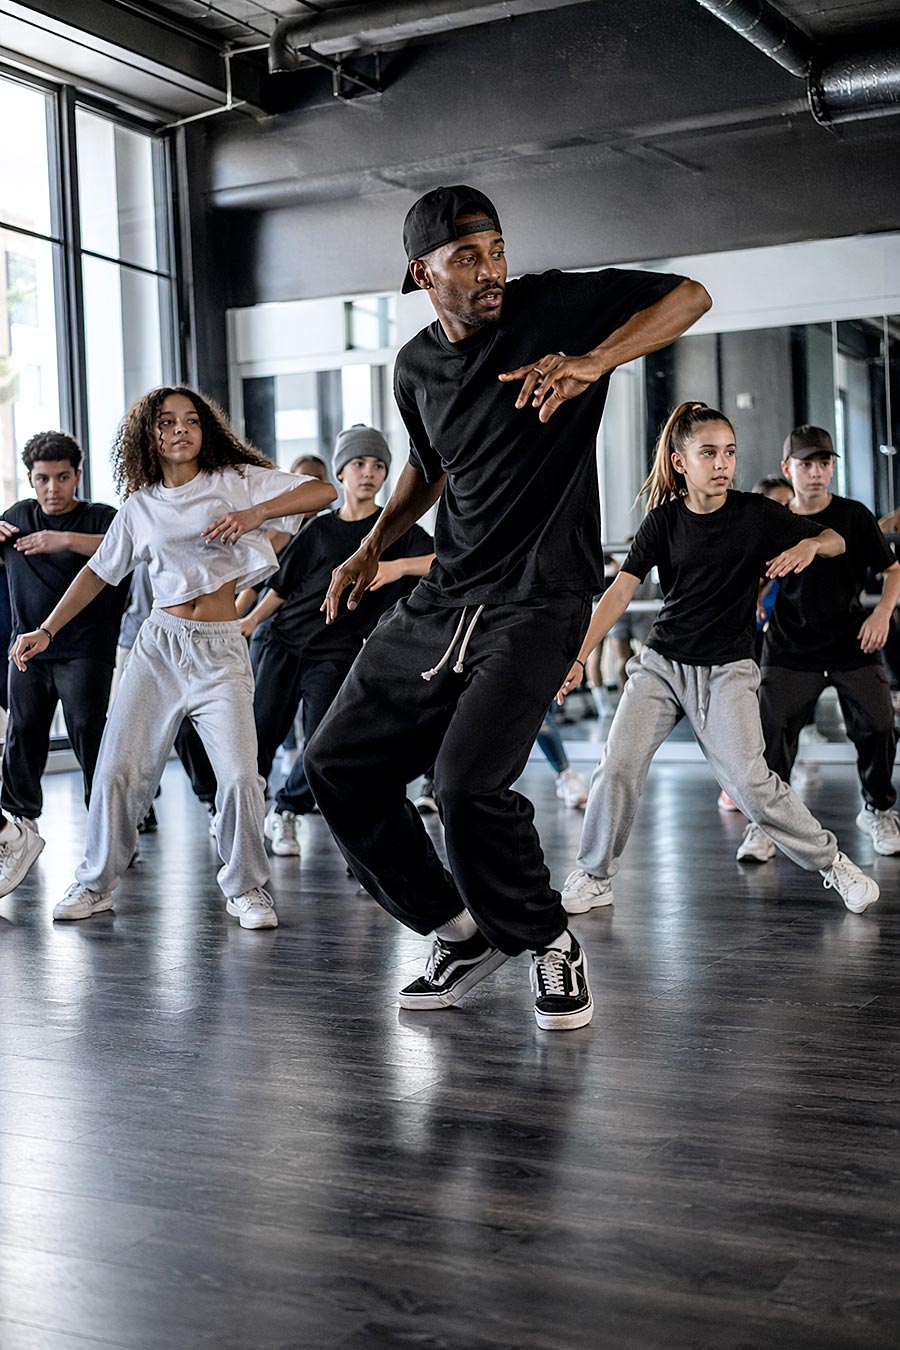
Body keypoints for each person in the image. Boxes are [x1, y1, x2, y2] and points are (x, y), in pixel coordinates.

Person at [304, 183, 711, 1031]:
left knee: (464, 787)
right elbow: (429, 466)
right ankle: (459, 933)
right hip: (447, 594)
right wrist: (372, 546)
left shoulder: (552, 308)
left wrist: (596, 361)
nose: (491, 270)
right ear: (423, 275)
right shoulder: (414, 367)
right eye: (468, 258)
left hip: (541, 597)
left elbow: (691, 296)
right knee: (335, 765)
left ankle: (548, 939)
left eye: (496, 251)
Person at [10, 387, 335, 926]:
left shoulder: (235, 480)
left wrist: (254, 513)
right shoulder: (140, 507)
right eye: (166, 422)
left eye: (191, 420)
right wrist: (46, 629)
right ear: (149, 435)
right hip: (159, 648)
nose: (180, 429)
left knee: (239, 777)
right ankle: (95, 883)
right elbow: (98, 572)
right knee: (117, 770)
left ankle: (247, 888)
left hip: (220, 649)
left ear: (205, 430)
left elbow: (321, 491)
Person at [559, 402, 879, 919]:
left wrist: (810, 546)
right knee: (617, 765)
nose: (722, 463)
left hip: (728, 669)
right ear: (681, 462)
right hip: (662, 665)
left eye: (729, 452)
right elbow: (618, 593)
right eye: (708, 453)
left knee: (751, 784)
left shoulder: (756, 514)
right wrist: (578, 656)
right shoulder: (664, 521)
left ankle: (833, 863)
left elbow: (838, 540)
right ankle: (595, 876)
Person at [241, 425, 433, 856]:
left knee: (322, 746)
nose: (369, 473)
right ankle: (240, 818)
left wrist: (398, 567)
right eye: (359, 464)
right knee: (261, 735)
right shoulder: (319, 530)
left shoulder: (397, 530)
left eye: (379, 466)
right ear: (341, 472)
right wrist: (250, 620)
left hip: (336, 652)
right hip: (284, 642)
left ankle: (285, 809)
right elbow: (282, 588)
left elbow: (445, 560)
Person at [738, 426, 900, 861]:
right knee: (772, 732)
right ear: (787, 468)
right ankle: (765, 823)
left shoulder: (854, 515)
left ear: (832, 468)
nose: (816, 472)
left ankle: (878, 809)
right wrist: (752, 605)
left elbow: (893, 570)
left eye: (824, 463)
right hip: (789, 647)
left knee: (879, 725)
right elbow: (754, 574)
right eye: (806, 464)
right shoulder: (772, 520)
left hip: (851, 642)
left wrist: (881, 613)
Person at [0, 431, 129, 898]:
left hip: (85, 649)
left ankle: (107, 830)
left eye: (62, 477)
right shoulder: (16, 519)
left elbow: (125, 549)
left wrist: (64, 540)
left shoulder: (101, 518)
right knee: (23, 733)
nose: (52, 488)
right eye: (42, 479)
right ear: (31, 479)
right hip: (27, 650)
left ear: (77, 475)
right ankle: (20, 826)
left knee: (89, 732)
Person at [717, 473, 794, 811]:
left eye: (789, 504)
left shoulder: (795, 542)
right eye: (779, 504)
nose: (785, 511)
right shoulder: (747, 539)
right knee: (744, 714)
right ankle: (735, 785)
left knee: (773, 715)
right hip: (746, 641)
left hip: (783, 641)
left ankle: (766, 784)